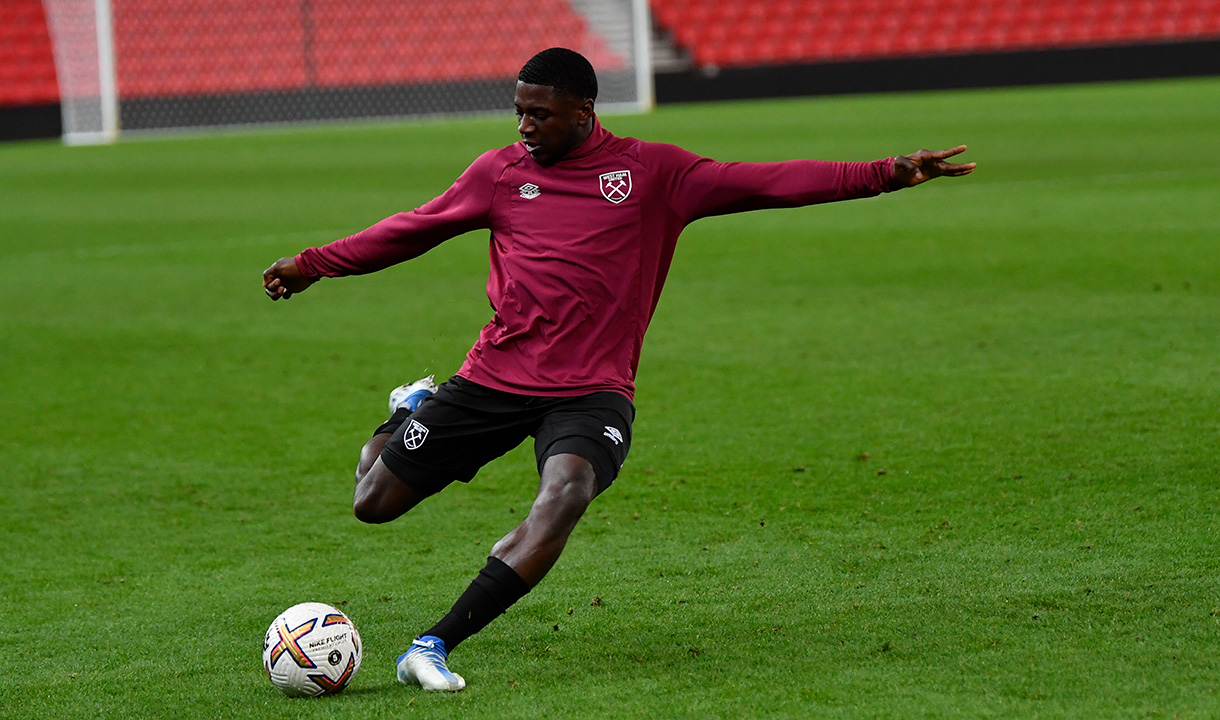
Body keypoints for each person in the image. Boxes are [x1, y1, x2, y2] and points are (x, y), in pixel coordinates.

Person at [262, 47, 975, 692]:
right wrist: (314, 265)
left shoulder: (654, 174)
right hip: (494, 377)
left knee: (565, 491)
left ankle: (433, 644)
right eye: (519, 112)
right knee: (372, 502)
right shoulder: (499, 174)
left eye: (539, 114)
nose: (525, 127)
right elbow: (413, 228)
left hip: (592, 391)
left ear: (584, 113)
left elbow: (768, 182)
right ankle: (411, 407)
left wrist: (886, 174)